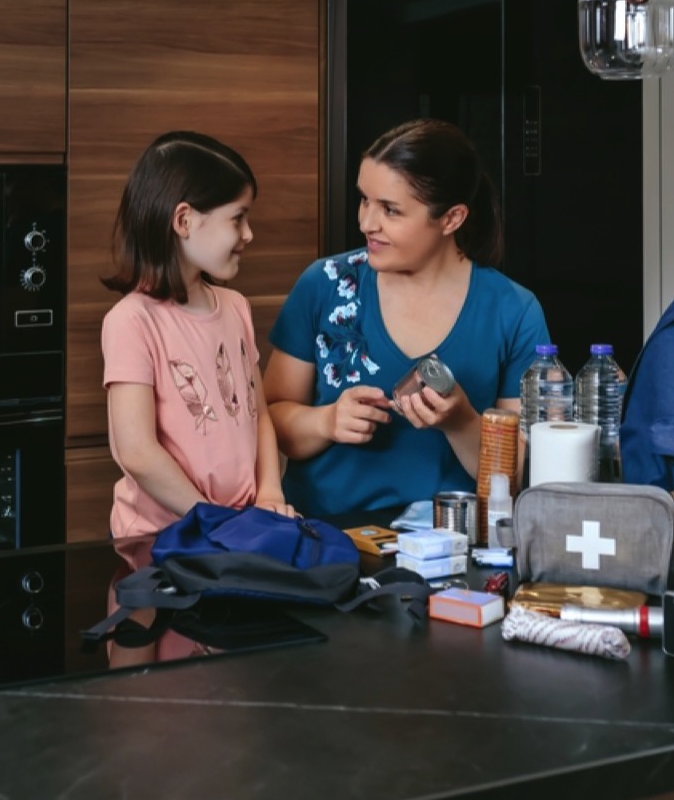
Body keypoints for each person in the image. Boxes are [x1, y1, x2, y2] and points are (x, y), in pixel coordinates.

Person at [265, 118, 551, 518]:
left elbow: (521, 475)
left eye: (390, 210)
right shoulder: (325, 285)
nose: (366, 223)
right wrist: (326, 421)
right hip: (324, 545)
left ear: (452, 218)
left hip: (450, 548)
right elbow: (269, 419)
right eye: (364, 199)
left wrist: (461, 422)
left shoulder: (512, 311)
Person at [100, 131, 294, 539]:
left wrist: (270, 493)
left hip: (238, 528)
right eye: (237, 218)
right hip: (162, 539)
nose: (248, 234)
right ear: (184, 220)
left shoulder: (236, 306)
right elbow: (137, 452)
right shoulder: (131, 321)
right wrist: (208, 518)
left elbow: (259, 418)